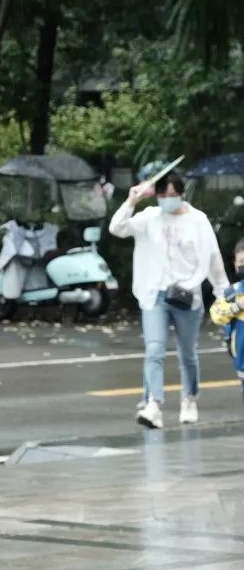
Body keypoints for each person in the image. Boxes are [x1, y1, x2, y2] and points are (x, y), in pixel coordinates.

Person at [109, 171, 229, 429]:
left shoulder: (198, 221)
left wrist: (223, 292)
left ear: (182, 195)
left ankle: (189, 399)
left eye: (173, 196)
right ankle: (154, 405)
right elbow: (117, 228)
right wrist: (131, 200)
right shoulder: (150, 217)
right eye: (163, 195)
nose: (168, 201)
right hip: (155, 294)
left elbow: (213, 257)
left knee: (187, 354)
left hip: (187, 295)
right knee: (154, 349)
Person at [210, 239, 244, 404]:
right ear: (235, 264)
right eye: (241, 262)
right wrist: (237, 307)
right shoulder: (233, 292)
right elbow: (216, 313)